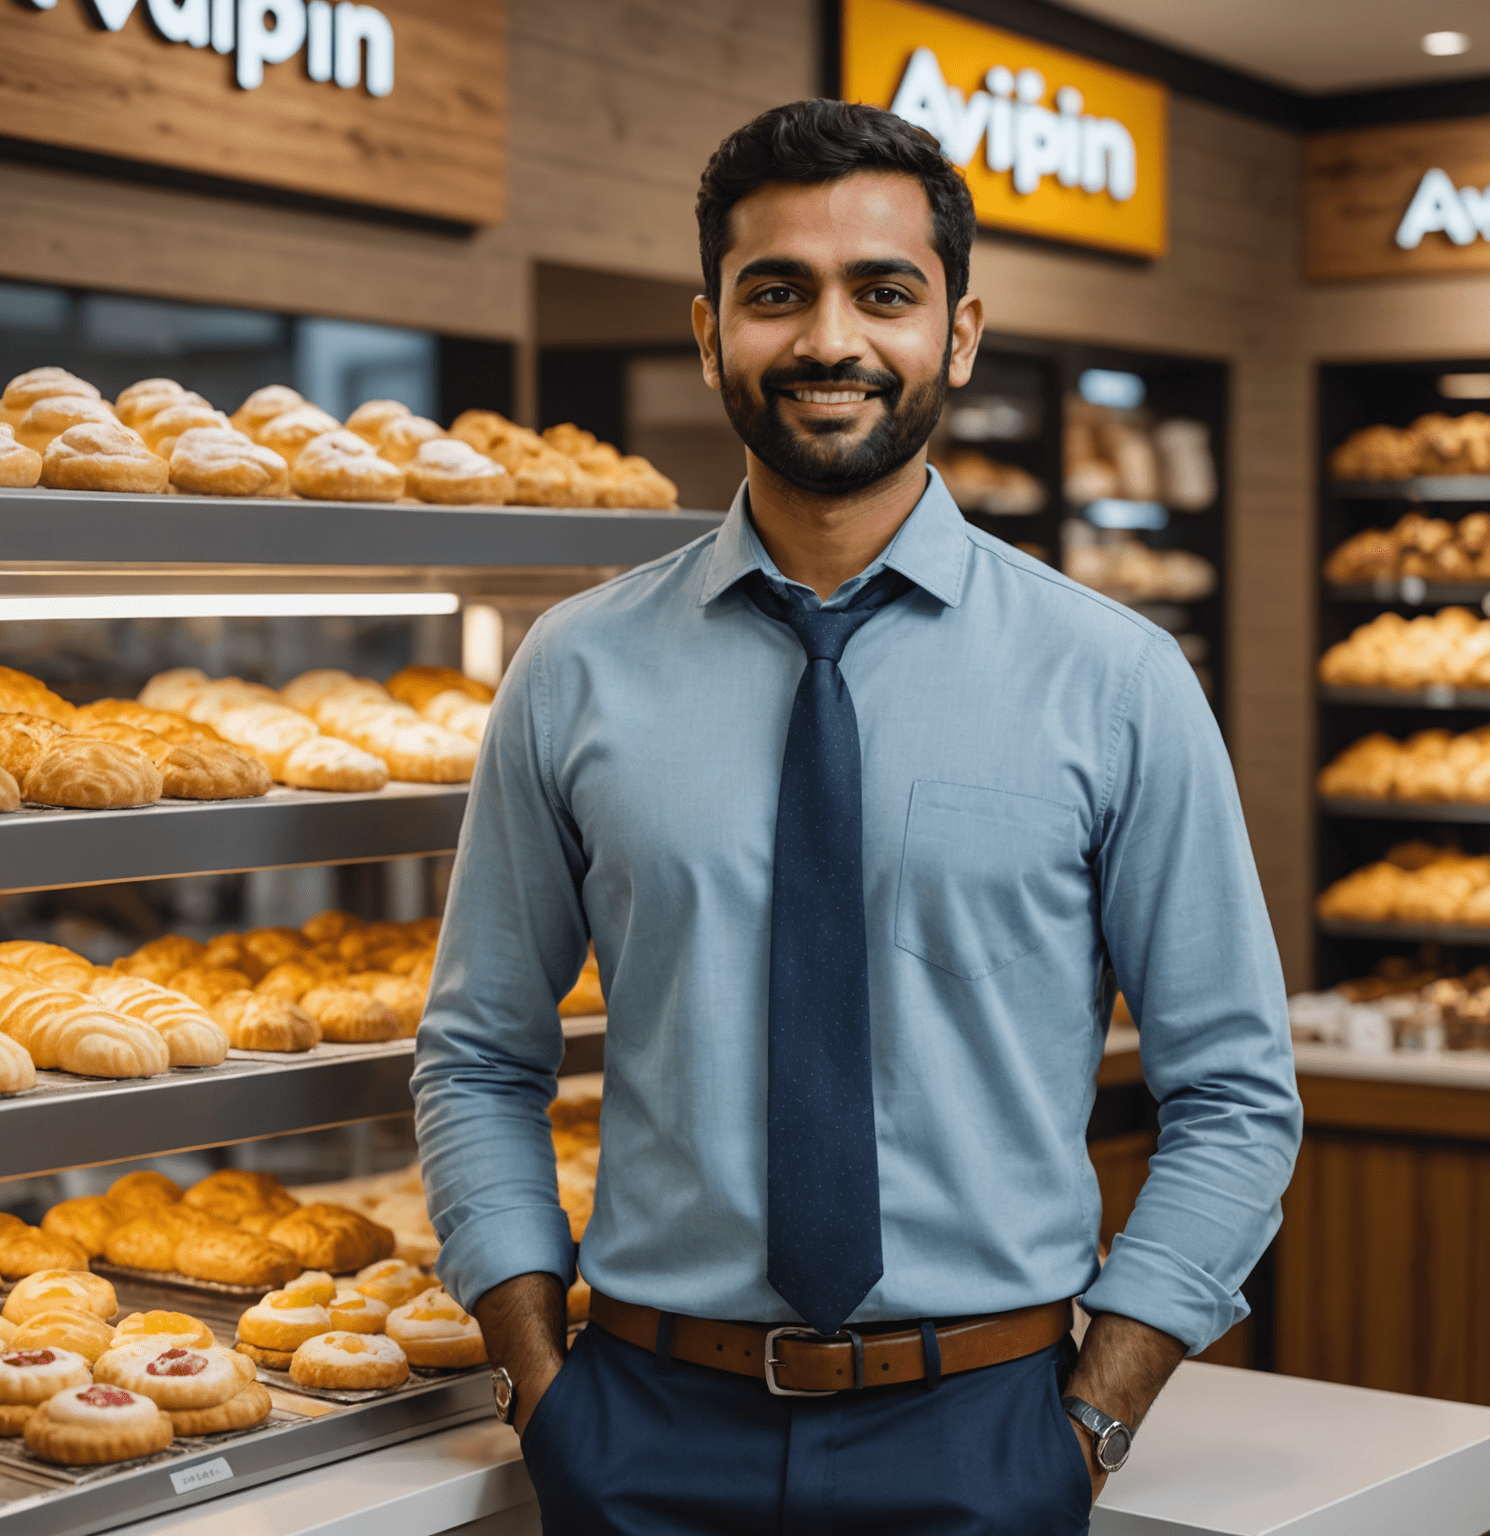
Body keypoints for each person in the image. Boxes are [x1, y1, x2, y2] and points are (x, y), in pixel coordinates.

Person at [412, 98, 1301, 1534]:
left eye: (884, 292)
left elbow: (1238, 1094)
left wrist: (1093, 1416)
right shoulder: (572, 670)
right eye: (778, 294)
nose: (831, 340)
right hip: (640, 1433)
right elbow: (475, 1058)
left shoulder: (1115, 679)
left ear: (958, 332)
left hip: (986, 1433)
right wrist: (540, 1382)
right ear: (710, 333)